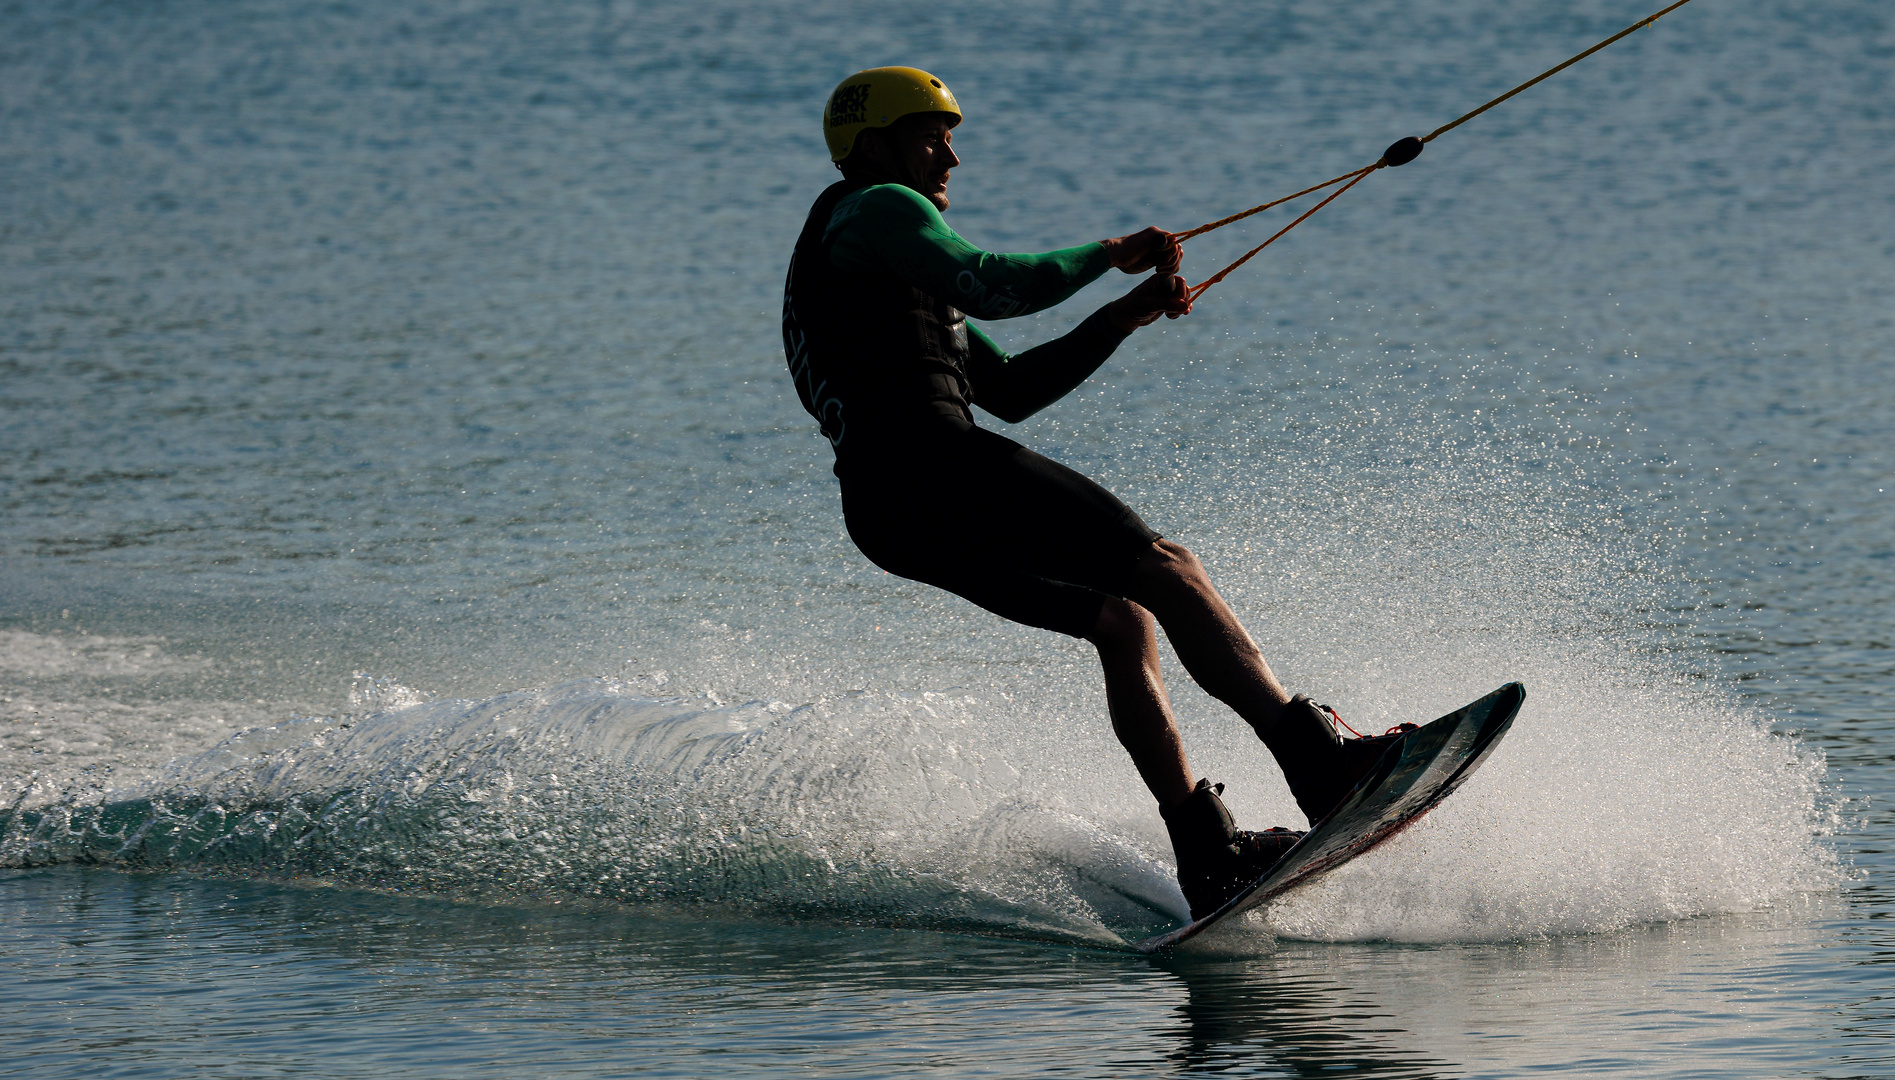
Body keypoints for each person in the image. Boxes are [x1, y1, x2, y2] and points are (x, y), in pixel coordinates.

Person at [781, 67, 1399, 920]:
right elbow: (996, 280)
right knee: (1165, 566)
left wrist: (1119, 317)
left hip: (886, 514)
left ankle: (1206, 852)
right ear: (874, 146)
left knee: (1121, 621)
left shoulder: (873, 266)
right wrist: (1108, 257)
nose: (951, 156)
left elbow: (1013, 389)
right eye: (931, 136)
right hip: (933, 468)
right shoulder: (879, 208)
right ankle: (1319, 765)